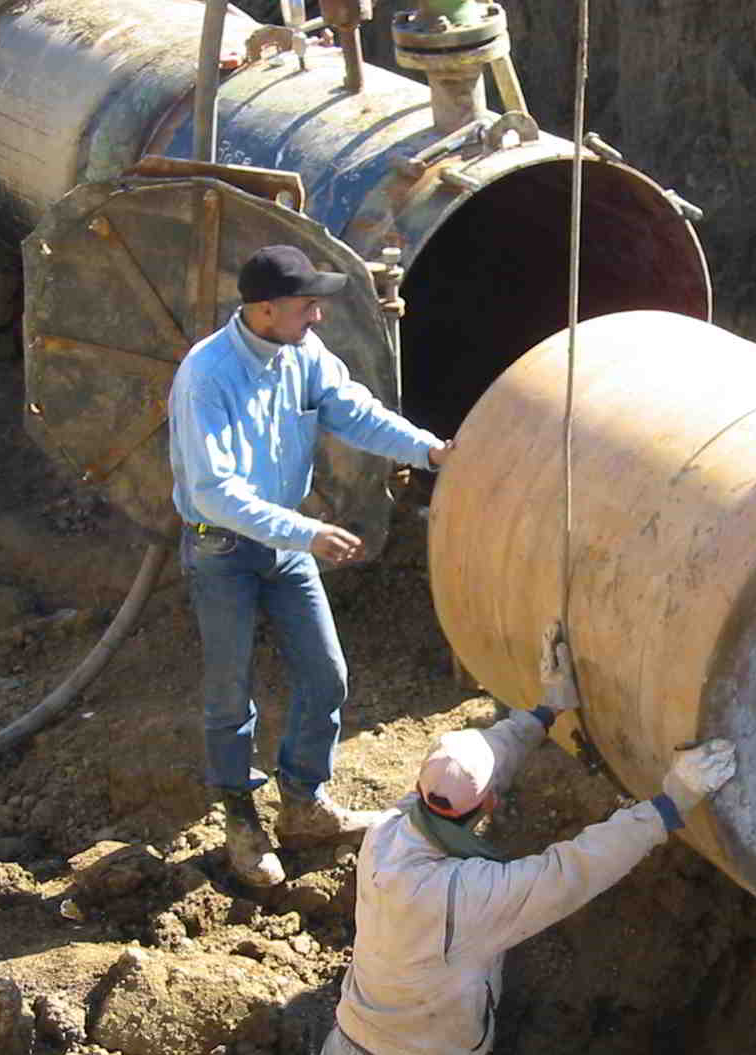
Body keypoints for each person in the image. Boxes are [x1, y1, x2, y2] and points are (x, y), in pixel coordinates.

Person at [168, 244, 452, 887]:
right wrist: (306, 530)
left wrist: (429, 451)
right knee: (228, 690)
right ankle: (241, 817)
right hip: (224, 550)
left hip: (285, 545)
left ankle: (302, 804)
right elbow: (214, 490)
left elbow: (351, 410)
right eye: (306, 306)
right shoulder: (207, 376)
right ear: (265, 310)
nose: (319, 316)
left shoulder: (301, 353)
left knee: (326, 675)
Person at [323, 624, 738, 1055]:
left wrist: (546, 710)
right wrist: (671, 803)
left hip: (348, 1039)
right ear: (492, 805)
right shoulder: (466, 895)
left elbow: (478, 764)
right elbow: (571, 870)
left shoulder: (388, 828)